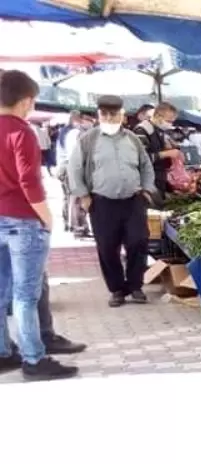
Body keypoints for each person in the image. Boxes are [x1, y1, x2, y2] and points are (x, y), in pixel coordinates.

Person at [0, 71, 80, 381]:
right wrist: (46, 218)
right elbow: (29, 182)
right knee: (25, 295)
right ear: (25, 101)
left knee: (2, 292)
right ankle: (34, 359)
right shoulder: (22, 132)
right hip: (23, 222)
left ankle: (4, 353)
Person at [68, 95, 157, 308]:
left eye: (114, 114)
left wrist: (146, 189)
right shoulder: (88, 139)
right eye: (104, 114)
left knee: (138, 241)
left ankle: (135, 285)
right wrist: (84, 196)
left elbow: (145, 166)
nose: (109, 118)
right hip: (102, 202)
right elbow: (75, 169)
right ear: (99, 116)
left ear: (122, 115)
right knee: (108, 247)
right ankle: (117, 289)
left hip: (133, 200)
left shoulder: (132, 139)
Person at [133, 102, 180, 196]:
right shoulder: (142, 130)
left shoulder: (159, 130)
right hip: (148, 182)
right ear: (158, 116)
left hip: (159, 179)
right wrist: (166, 154)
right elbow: (139, 159)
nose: (170, 124)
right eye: (169, 121)